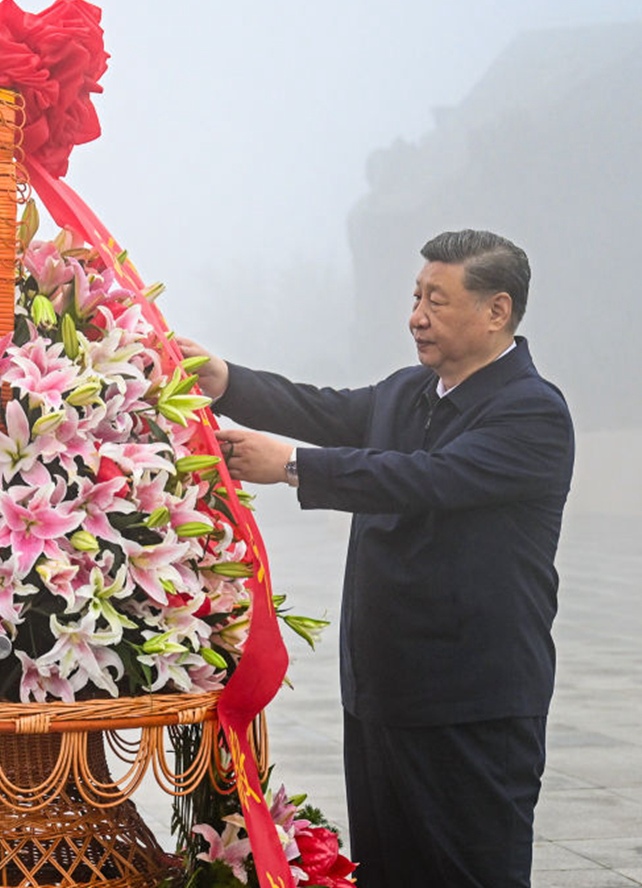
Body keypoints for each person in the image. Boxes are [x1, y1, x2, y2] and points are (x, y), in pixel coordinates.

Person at [178, 229, 574, 888]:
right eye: (417, 296)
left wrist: (294, 467)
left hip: (472, 706)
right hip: (382, 697)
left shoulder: (531, 413)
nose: (416, 316)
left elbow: (425, 479)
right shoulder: (408, 392)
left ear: (497, 311)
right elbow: (324, 409)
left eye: (437, 301)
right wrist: (225, 380)